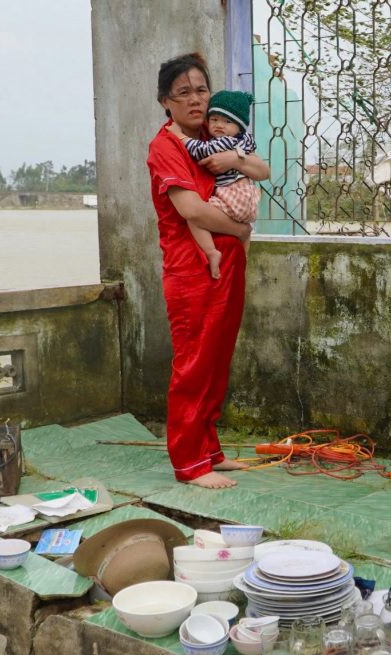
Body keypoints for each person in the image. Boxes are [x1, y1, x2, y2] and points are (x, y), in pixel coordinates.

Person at [146, 52, 269, 489]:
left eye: (201, 90)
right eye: (184, 93)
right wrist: (240, 228)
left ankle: (210, 450)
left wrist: (237, 237)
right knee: (194, 364)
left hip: (227, 265)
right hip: (191, 269)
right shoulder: (166, 147)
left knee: (218, 361)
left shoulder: (216, 136)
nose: (196, 100)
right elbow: (192, 210)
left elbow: (260, 169)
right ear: (166, 101)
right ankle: (188, 462)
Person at [169, 90, 259, 280]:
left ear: (239, 126)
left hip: (233, 196)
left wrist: (180, 136)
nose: (219, 125)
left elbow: (202, 150)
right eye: (215, 119)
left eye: (227, 122)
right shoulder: (246, 142)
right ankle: (244, 255)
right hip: (248, 200)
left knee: (195, 218)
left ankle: (210, 251)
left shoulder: (224, 142)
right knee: (244, 233)